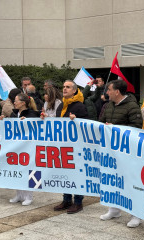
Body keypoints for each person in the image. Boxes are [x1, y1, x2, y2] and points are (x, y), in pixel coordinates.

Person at [99, 79, 143, 228]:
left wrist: (116, 129)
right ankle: (114, 210)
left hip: (127, 152)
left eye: (109, 90)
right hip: (111, 151)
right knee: (113, 180)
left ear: (117, 91)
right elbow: (101, 122)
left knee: (130, 182)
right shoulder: (108, 105)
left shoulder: (132, 106)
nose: (107, 92)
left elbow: (136, 128)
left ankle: (136, 214)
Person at [52, 80, 88, 214]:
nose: (65, 89)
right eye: (64, 87)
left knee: (76, 173)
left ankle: (78, 202)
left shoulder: (79, 106)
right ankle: (66, 199)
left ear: (74, 90)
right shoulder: (61, 105)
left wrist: (77, 121)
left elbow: (87, 125)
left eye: (68, 87)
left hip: (76, 147)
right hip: (63, 146)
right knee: (65, 173)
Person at [3, 93, 40, 206]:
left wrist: (27, 122)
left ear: (23, 103)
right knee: (17, 169)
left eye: (16, 100)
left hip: (29, 147)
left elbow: (37, 128)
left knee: (31, 170)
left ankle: (29, 196)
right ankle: (19, 194)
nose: (14, 102)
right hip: (16, 147)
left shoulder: (33, 114)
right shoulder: (14, 114)